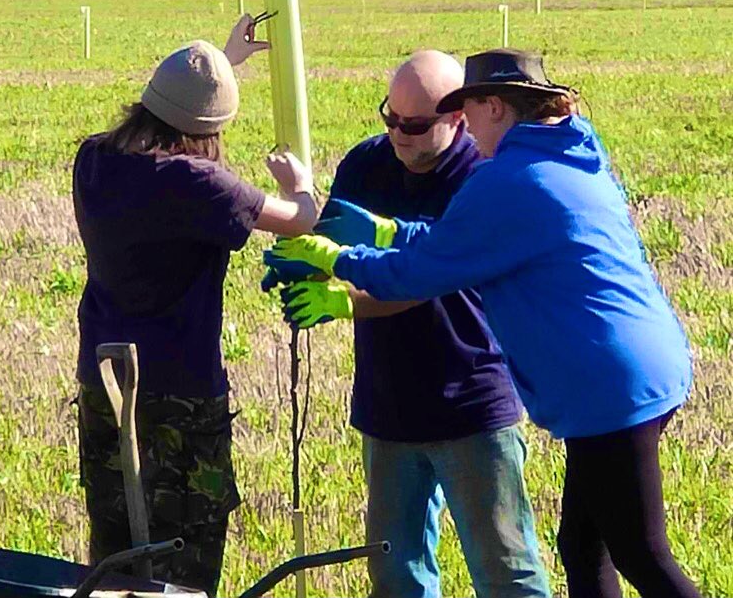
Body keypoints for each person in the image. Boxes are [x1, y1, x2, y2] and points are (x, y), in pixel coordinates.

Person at [266, 49, 701, 598]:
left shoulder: (509, 179)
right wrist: (382, 231)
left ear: (492, 106)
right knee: (583, 547)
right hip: (633, 367)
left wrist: (336, 260)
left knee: (643, 556)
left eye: (465, 110)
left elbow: (421, 272)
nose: (465, 125)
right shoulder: (567, 151)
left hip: (610, 383)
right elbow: (458, 240)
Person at [267, 50, 549, 598]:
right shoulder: (366, 164)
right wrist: (301, 253)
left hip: (470, 403)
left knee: (506, 572)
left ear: (457, 119)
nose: (399, 134)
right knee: (396, 577)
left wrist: (342, 300)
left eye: (415, 125)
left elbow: (422, 280)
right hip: (388, 405)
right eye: (390, 118)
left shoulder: (482, 180)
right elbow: (327, 237)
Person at [72, 15, 317, 597]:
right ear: (208, 131)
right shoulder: (202, 185)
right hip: (180, 399)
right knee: (185, 557)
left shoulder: (95, 160)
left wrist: (220, 67)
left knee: (114, 558)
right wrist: (298, 184)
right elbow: (301, 220)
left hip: (105, 388)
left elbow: (175, 111)